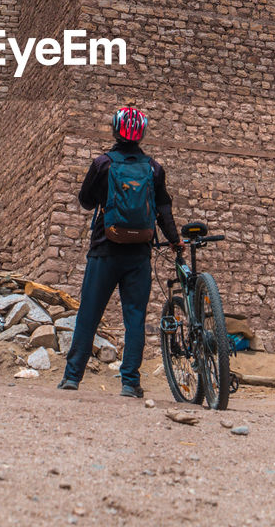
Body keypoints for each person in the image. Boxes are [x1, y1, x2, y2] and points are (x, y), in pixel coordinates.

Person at [58, 105, 180, 398]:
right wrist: (175, 240)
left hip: (104, 250)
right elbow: (163, 209)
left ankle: (72, 377)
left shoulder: (102, 164)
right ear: (142, 134)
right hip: (138, 254)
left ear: (114, 130)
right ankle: (129, 382)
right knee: (134, 319)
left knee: (88, 314)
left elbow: (86, 201)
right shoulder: (153, 168)